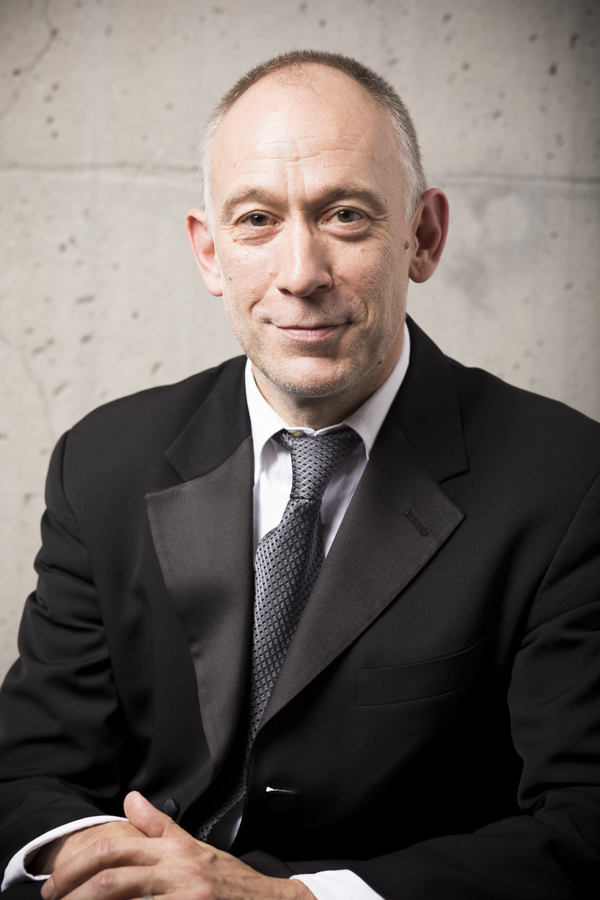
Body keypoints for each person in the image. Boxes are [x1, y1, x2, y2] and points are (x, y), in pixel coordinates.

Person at [0, 50, 599, 900]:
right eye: (255, 221)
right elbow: (27, 771)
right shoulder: (102, 462)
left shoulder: (568, 482)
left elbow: (582, 826)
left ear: (422, 237)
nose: (299, 274)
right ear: (210, 253)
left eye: (346, 215)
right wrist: (99, 864)